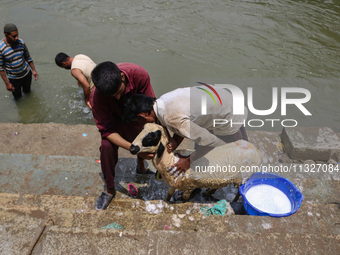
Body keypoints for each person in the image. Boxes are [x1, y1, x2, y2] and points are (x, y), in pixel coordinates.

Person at [123, 85, 248, 173]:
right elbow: (184, 120)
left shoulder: (170, 118)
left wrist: (188, 161)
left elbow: (210, 141)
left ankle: (244, 178)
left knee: (237, 150)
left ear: (142, 116)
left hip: (227, 114)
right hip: (223, 97)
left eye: (138, 122)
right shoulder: (162, 101)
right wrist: (176, 140)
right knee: (244, 144)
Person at [90, 61, 155, 210]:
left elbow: (149, 107)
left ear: (122, 77)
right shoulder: (97, 97)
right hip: (113, 122)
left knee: (143, 129)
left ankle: (141, 168)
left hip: (134, 114)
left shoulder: (139, 75)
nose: (118, 97)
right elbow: (106, 131)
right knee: (106, 146)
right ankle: (109, 189)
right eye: (113, 96)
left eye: (120, 92)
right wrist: (133, 148)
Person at [0, 23, 38, 100]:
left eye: (17, 35)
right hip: (14, 79)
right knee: (18, 99)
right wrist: (7, 83)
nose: (17, 38)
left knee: (28, 94)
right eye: (14, 36)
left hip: (26, 74)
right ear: (6, 35)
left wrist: (34, 70)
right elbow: (0, 68)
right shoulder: (1, 49)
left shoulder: (21, 43)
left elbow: (28, 57)